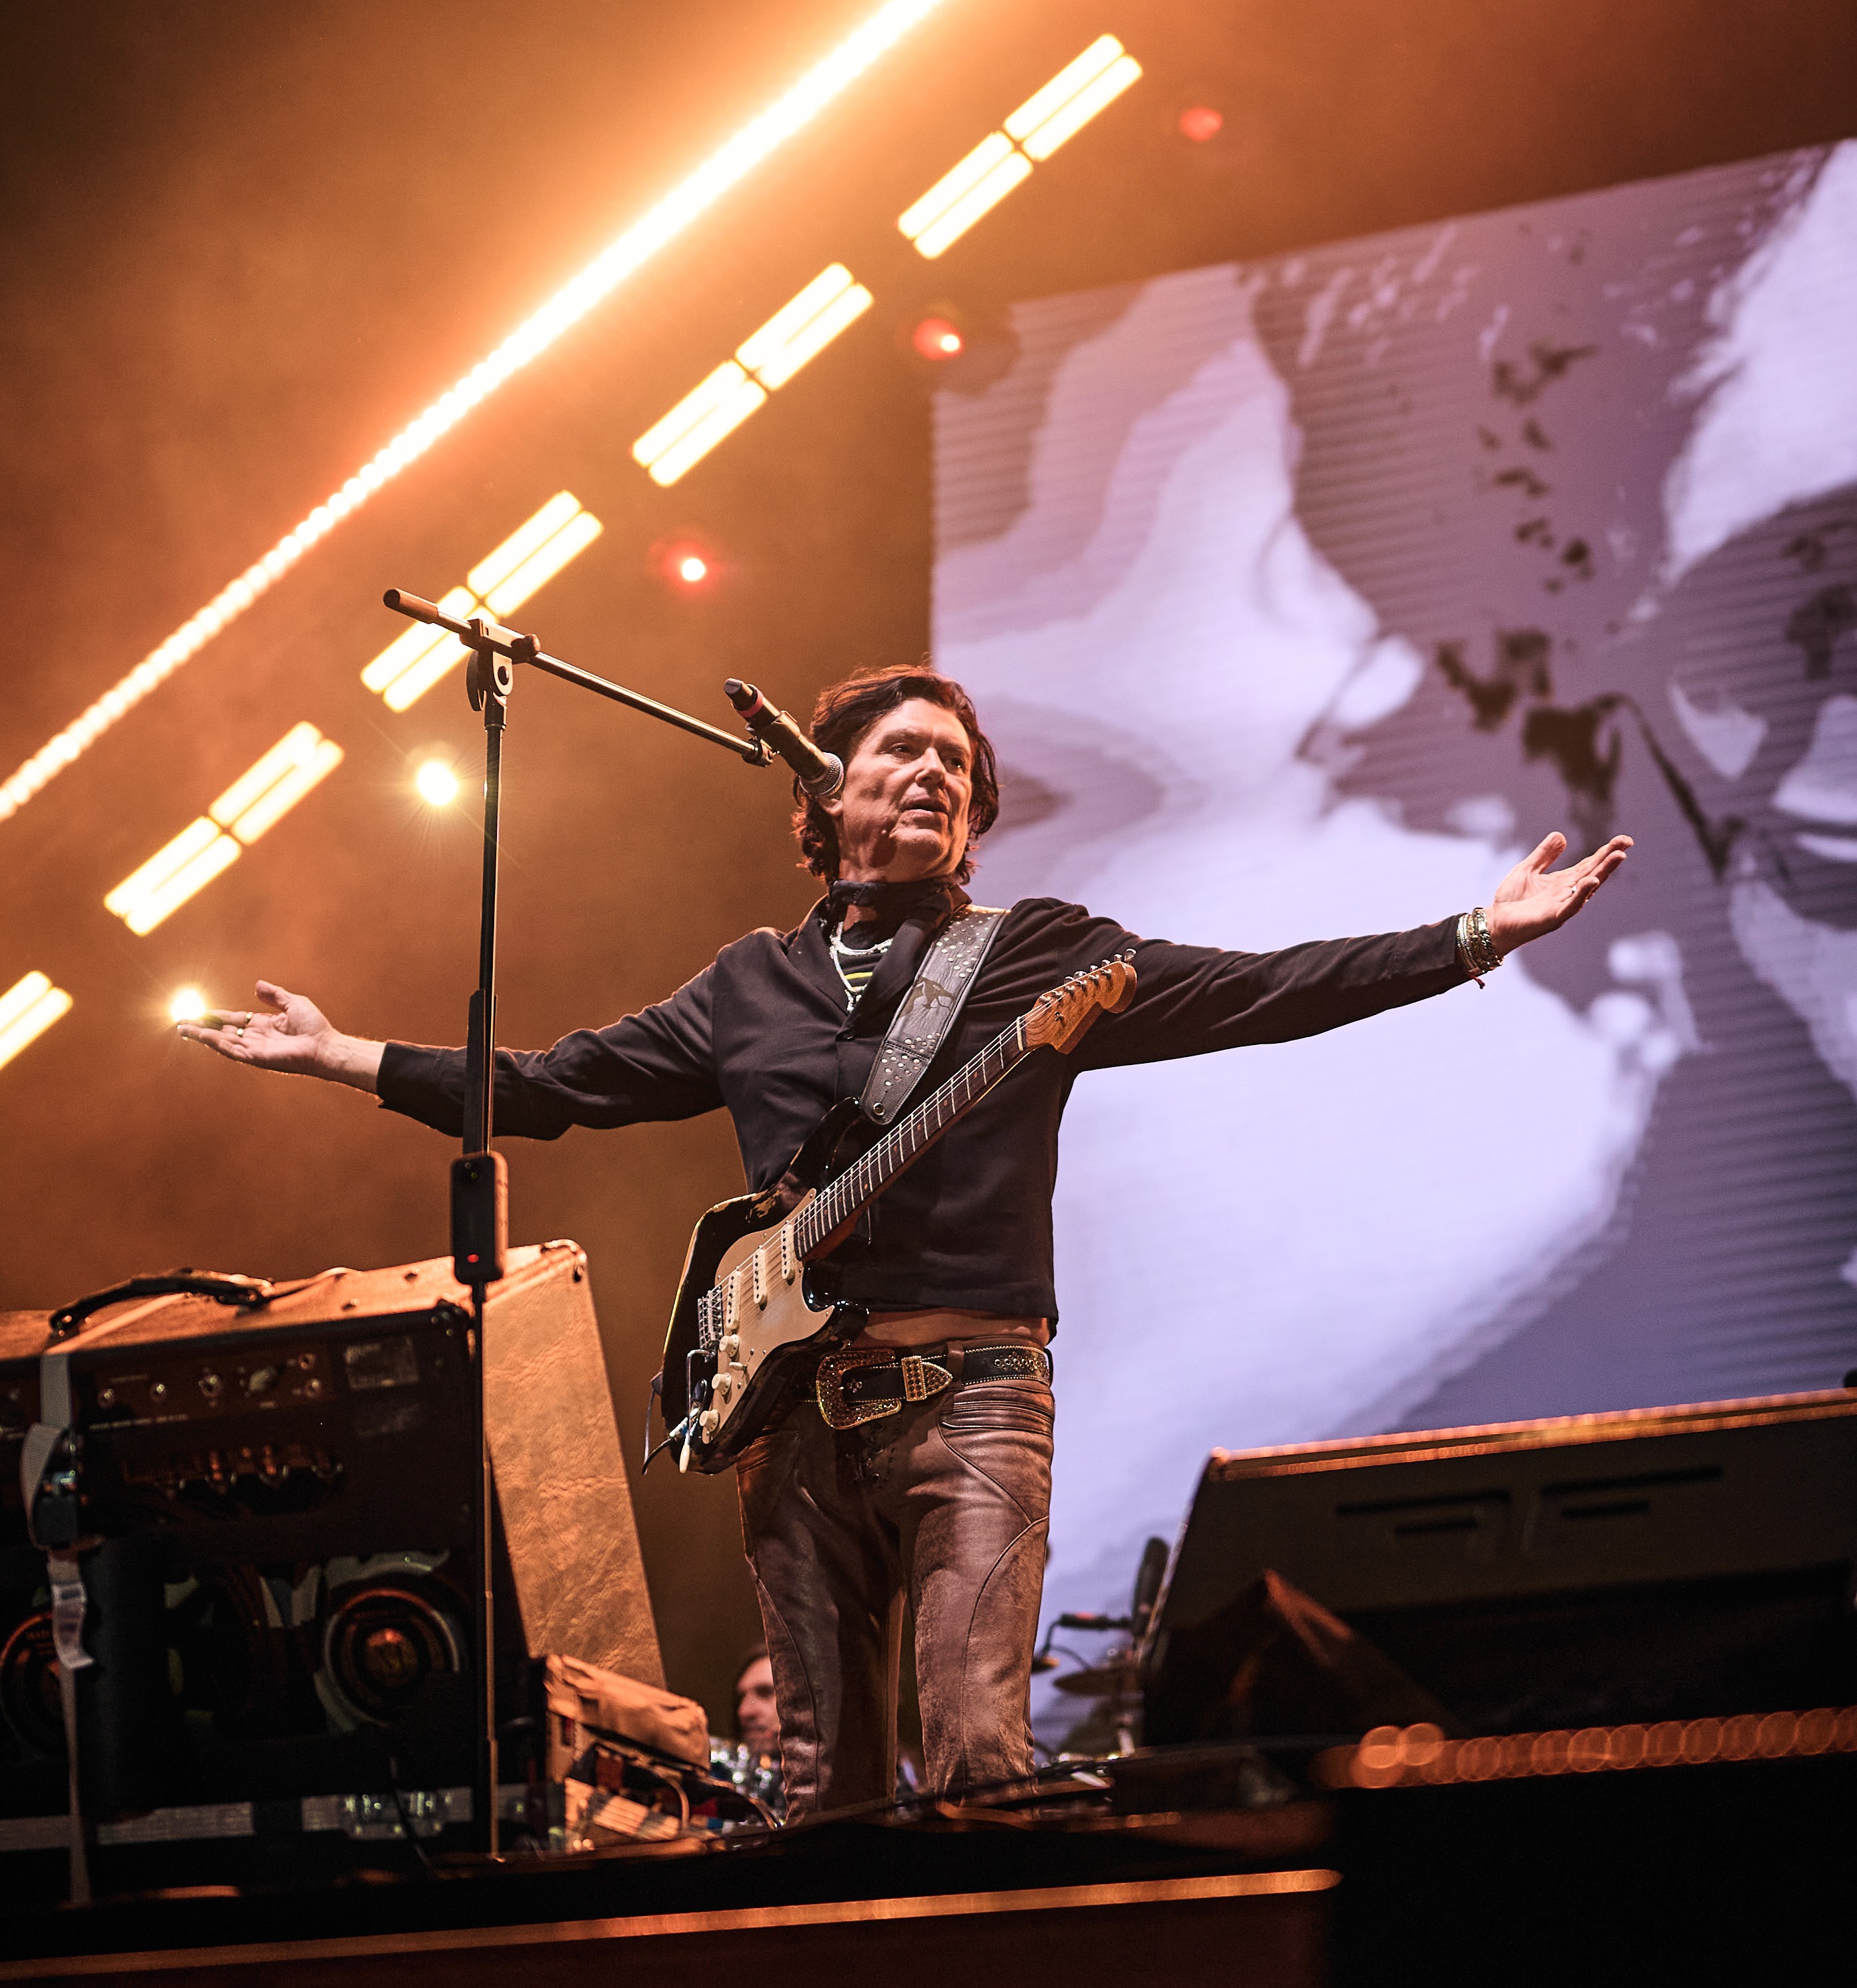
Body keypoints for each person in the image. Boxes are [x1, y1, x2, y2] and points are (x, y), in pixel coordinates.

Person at [177, 664, 1630, 1817]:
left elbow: (1261, 988)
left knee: (983, 1760)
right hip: (789, 1421)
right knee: (823, 1791)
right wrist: (349, 1056)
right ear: (826, 795)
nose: (936, 771)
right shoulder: (749, 985)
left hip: (974, 1402)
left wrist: (1472, 936)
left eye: (957, 763)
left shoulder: (1040, 954)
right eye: (903, 751)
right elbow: (557, 1085)